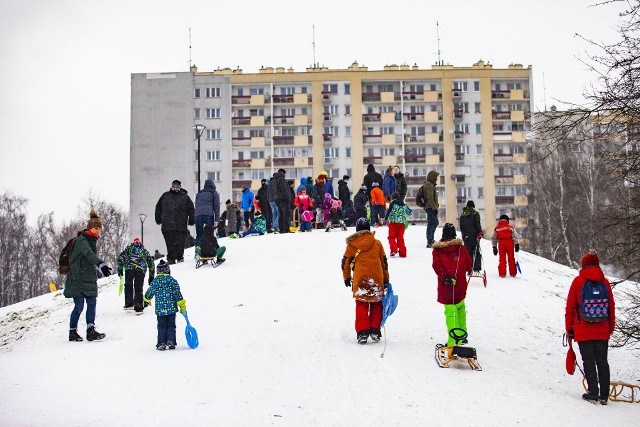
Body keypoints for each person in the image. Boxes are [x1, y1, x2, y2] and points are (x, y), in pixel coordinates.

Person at [565, 249, 616, 405]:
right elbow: (611, 306)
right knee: (602, 361)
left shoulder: (578, 281)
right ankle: (604, 396)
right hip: (602, 329)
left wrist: (569, 329)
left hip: (583, 329)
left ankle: (593, 393)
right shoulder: (605, 282)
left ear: (584, 264)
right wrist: (610, 326)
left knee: (588, 360)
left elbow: (571, 307)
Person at [64, 210, 112, 342]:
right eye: (96, 228)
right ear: (90, 227)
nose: (98, 231)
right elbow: (89, 254)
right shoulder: (81, 240)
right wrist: (101, 264)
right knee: (79, 305)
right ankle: (72, 332)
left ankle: (91, 331)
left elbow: (88, 260)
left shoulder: (92, 240)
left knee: (92, 303)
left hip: (88, 278)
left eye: (100, 228)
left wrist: (96, 270)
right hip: (77, 279)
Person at [341, 218, 390, 344]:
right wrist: (386, 278)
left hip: (360, 280)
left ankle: (362, 332)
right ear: (369, 229)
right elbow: (384, 262)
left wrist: (346, 277)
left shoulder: (352, 244)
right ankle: (374, 330)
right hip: (376, 279)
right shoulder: (377, 243)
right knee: (376, 304)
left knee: (361, 305)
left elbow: (345, 262)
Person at [432, 223, 472, 346]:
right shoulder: (461, 248)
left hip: (446, 286)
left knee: (450, 312)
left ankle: (452, 340)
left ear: (443, 235)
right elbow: (469, 264)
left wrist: (446, 277)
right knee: (460, 309)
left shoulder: (437, 250)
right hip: (460, 285)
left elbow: (437, 266)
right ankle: (462, 336)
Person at [143, 260, 187, 351]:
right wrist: (182, 305)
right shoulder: (172, 280)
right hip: (171, 309)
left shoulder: (156, 281)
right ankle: (171, 341)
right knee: (171, 325)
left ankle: (161, 343)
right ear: (168, 270)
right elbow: (177, 293)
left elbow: (150, 291)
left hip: (160, 310)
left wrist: (146, 300)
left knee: (161, 326)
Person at [155, 179, 195, 264]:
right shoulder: (165, 196)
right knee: (169, 243)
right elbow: (158, 207)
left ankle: (179, 257)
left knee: (180, 243)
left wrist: (192, 220)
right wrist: (158, 219)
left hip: (180, 225)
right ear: (171, 186)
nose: (175, 188)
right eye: (174, 186)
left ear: (180, 187)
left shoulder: (185, 197)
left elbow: (191, 209)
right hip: (167, 225)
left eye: (177, 186)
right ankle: (171, 258)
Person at [116, 237, 155, 313]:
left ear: (133, 243)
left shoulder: (129, 249)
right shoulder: (144, 251)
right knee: (138, 287)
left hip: (129, 268)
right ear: (140, 243)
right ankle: (138, 305)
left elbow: (121, 258)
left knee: (128, 285)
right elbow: (151, 263)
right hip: (140, 270)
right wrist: (151, 277)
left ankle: (129, 303)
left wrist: (120, 269)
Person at [194, 179, 220, 249]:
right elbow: (216, 207)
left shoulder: (199, 193)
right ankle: (211, 250)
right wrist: (217, 219)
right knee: (209, 234)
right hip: (208, 214)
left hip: (198, 215)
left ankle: (197, 252)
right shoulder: (214, 192)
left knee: (199, 235)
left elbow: (196, 205)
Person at [385, 192, 413, 257]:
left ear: (393, 198)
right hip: (402, 224)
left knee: (391, 237)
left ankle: (394, 250)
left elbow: (389, 211)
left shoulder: (393, 203)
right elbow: (410, 212)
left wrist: (386, 218)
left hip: (393, 223)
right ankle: (403, 253)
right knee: (400, 238)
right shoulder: (403, 204)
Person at [459, 200, 483, 272]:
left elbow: (461, 226)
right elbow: (477, 224)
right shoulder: (475, 213)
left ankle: (469, 269)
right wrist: (479, 232)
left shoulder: (462, 215)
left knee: (468, 252)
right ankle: (476, 268)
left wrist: (464, 235)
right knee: (476, 252)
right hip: (474, 235)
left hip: (466, 235)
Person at [421, 170, 440, 248]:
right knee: (434, 223)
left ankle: (431, 240)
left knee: (432, 223)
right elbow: (430, 197)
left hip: (430, 207)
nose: (436, 179)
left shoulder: (430, 184)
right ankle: (430, 241)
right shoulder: (429, 185)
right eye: (436, 177)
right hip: (430, 207)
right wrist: (434, 208)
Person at [273, 168, 293, 233]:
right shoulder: (281, 179)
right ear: (283, 173)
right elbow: (285, 190)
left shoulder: (274, 180)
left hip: (277, 199)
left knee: (280, 214)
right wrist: (288, 199)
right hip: (283, 199)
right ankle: (286, 229)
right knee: (286, 214)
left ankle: (281, 229)